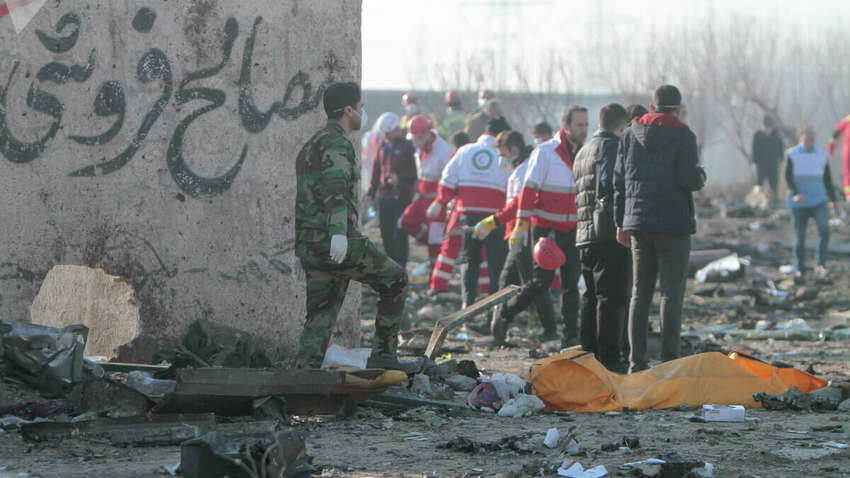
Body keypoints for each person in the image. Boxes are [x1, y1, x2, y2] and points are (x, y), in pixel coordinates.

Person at [294, 82, 418, 372]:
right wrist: (339, 234)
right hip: (336, 241)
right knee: (396, 281)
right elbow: (335, 192)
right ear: (348, 110)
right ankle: (384, 356)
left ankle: (303, 375)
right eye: (361, 107)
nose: (363, 112)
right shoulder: (337, 144)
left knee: (321, 314)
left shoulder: (312, 142)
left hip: (310, 243)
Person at [614, 85, 706, 374]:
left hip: (638, 224)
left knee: (640, 294)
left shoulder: (629, 134)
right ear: (677, 108)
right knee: (671, 293)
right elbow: (689, 179)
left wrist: (621, 222)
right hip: (673, 225)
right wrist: (701, 175)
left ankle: (636, 362)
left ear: (651, 106)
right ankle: (668, 362)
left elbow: (619, 181)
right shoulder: (683, 135)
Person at [501, 105, 589, 347]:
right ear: (567, 126)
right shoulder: (546, 152)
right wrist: (521, 224)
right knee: (541, 283)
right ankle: (506, 314)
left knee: (571, 285)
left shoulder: (586, 152)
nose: (584, 129)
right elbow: (529, 190)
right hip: (546, 230)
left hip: (572, 229)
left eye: (586, 125)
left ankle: (569, 336)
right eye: (580, 125)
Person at [474, 130, 559, 344]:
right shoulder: (519, 169)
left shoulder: (523, 171)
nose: (501, 159)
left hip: (523, 233)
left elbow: (518, 205)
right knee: (510, 281)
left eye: (503, 153)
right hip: (517, 233)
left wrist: (493, 221)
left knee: (532, 283)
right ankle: (497, 326)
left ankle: (547, 328)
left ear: (513, 149)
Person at [573, 103, 630, 372]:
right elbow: (609, 182)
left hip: (584, 233)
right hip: (606, 233)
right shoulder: (611, 146)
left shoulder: (583, 149)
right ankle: (609, 357)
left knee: (590, 296)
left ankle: (587, 352)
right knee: (611, 297)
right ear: (622, 125)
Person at [429, 119, 510, 307]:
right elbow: (512, 186)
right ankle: (493, 307)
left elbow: (447, 179)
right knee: (494, 263)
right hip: (495, 218)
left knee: (469, 260)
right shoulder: (503, 155)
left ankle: (468, 304)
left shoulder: (465, 151)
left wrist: (440, 201)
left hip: (468, 215)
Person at [399, 115, 454, 269]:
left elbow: (451, 181)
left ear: (428, 133)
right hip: (423, 198)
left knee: (435, 240)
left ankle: (436, 277)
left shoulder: (444, 151)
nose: (415, 142)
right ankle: (438, 247)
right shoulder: (420, 148)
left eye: (418, 138)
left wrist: (443, 202)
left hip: (438, 201)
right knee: (406, 222)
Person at [786, 126, 838, 280]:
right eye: (807, 136)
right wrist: (795, 194)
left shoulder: (821, 155)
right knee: (800, 237)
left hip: (819, 200)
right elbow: (788, 177)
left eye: (812, 136)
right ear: (800, 137)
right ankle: (800, 267)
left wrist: (833, 200)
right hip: (799, 203)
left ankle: (821, 263)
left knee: (824, 229)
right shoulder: (792, 154)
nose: (810, 139)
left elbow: (827, 179)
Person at [367, 113, 417, 268]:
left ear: (396, 129)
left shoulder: (409, 147)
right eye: (385, 133)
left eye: (389, 132)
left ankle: (401, 267)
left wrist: (400, 179)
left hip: (401, 196)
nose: (387, 136)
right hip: (384, 196)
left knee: (399, 233)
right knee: (386, 233)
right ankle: (391, 267)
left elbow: (416, 172)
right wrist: (371, 191)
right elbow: (377, 168)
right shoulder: (383, 145)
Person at [752, 114, 784, 203]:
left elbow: (781, 147)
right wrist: (754, 163)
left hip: (773, 163)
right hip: (761, 164)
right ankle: (757, 200)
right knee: (759, 184)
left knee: (774, 184)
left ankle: (774, 200)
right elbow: (754, 150)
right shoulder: (758, 134)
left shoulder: (776, 134)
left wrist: (781, 159)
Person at [827, 113, 850, 200]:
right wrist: (831, 146)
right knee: (847, 171)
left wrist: (831, 146)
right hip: (848, 149)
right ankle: (848, 195)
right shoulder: (848, 119)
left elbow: (835, 133)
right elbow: (836, 133)